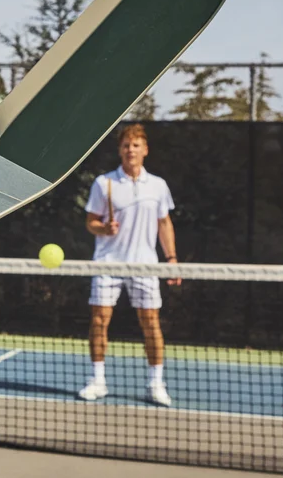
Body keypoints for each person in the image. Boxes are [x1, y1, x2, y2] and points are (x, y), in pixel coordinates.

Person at [78, 123, 181, 407]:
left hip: (145, 265)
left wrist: (171, 259)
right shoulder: (104, 183)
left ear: (145, 150)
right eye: (126, 145)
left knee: (151, 323)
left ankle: (156, 384)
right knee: (99, 321)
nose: (130, 150)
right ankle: (97, 381)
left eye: (136, 145)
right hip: (108, 264)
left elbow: (164, 223)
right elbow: (91, 223)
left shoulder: (158, 186)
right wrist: (104, 229)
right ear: (120, 150)